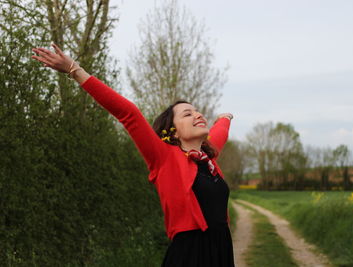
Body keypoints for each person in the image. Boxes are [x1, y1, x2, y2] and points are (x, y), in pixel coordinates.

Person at [32, 44, 235, 267]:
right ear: (173, 130)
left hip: (221, 251)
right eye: (188, 113)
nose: (197, 114)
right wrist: (74, 69)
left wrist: (225, 118)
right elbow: (128, 113)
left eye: (197, 111)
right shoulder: (164, 158)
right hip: (190, 254)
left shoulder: (208, 158)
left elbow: (220, 133)